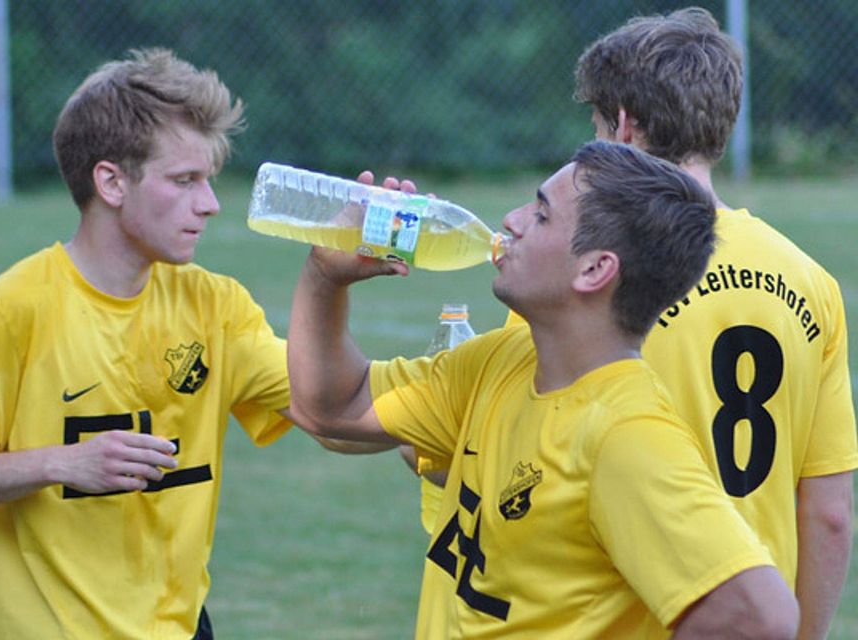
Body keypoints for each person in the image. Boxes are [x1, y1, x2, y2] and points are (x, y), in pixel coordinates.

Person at [286, 140, 799, 638]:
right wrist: (325, 278)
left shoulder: (624, 434)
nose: (511, 220)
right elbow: (334, 405)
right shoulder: (500, 361)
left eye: (541, 214)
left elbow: (760, 615)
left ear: (594, 269)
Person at [0, 48, 301, 639]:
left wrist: (331, 282)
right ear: (111, 182)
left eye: (208, 180)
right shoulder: (11, 309)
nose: (210, 204)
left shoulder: (215, 304)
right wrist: (62, 462)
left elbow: (328, 407)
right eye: (185, 180)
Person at [504, 9, 857, 638]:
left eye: (596, 127)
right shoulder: (812, 283)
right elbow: (829, 513)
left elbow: (501, 459)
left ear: (623, 127)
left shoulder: (580, 275)